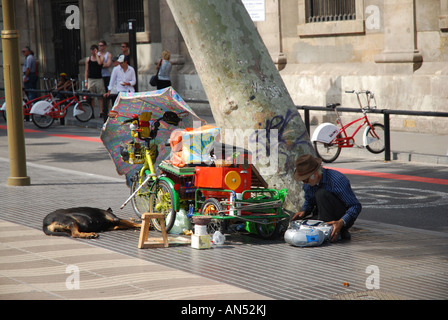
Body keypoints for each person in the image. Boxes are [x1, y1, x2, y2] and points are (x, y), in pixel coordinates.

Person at [291, 154, 362, 242]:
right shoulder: (308, 185)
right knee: (301, 225)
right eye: (302, 180)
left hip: (340, 217)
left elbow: (355, 206)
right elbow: (309, 201)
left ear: (315, 174)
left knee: (321, 194)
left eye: (306, 179)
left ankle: (338, 230)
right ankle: (326, 229)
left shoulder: (336, 180)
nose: (304, 182)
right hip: (322, 215)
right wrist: (304, 211)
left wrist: (341, 222)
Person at [85, 44, 105, 117]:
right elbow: (86, 70)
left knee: (100, 96)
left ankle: (101, 111)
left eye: (94, 49)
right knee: (91, 97)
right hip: (91, 79)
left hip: (99, 78)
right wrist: (86, 81)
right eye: (91, 49)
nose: (92, 51)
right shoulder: (88, 59)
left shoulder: (101, 57)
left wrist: (97, 54)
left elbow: (100, 63)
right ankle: (92, 112)